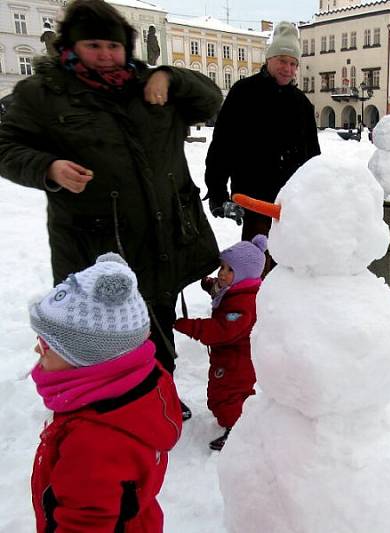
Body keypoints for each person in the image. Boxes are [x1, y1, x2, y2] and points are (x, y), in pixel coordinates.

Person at [0, 0, 221, 420]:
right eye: (94, 44)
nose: (105, 55)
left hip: (164, 231)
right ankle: (110, 408)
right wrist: (48, 167)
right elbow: (6, 147)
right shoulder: (41, 94)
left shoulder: (149, 83)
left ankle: (158, 397)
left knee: (157, 315)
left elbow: (210, 101)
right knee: (100, 328)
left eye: (113, 46)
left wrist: (170, 75)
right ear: (71, 47)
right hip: (93, 238)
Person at [29, 253, 183, 531]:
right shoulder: (141, 386)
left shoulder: (93, 443)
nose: (37, 350)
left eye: (46, 344)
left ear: (87, 357)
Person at [205, 21, 320, 267]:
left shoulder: (302, 104)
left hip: (290, 206)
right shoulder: (243, 93)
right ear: (269, 59)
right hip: (254, 201)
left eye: (293, 64)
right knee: (256, 267)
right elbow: (222, 146)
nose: (288, 69)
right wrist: (217, 193)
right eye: (282, 61)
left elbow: (314, 159)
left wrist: (316, 197)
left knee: (290, 270)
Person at [174, 235, 267, 450]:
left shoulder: (244, 302)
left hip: (236, 362)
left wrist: (188, 325)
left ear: (244, 275)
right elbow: (221, 292)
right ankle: (247, 418)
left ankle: (238, 432)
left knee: (225, 397)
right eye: (222, 267)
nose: (222, 274)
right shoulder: (239, 289)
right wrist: (209, 285)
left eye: (229, 270)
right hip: (230, 358)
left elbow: (222, 330)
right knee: (232, 395)